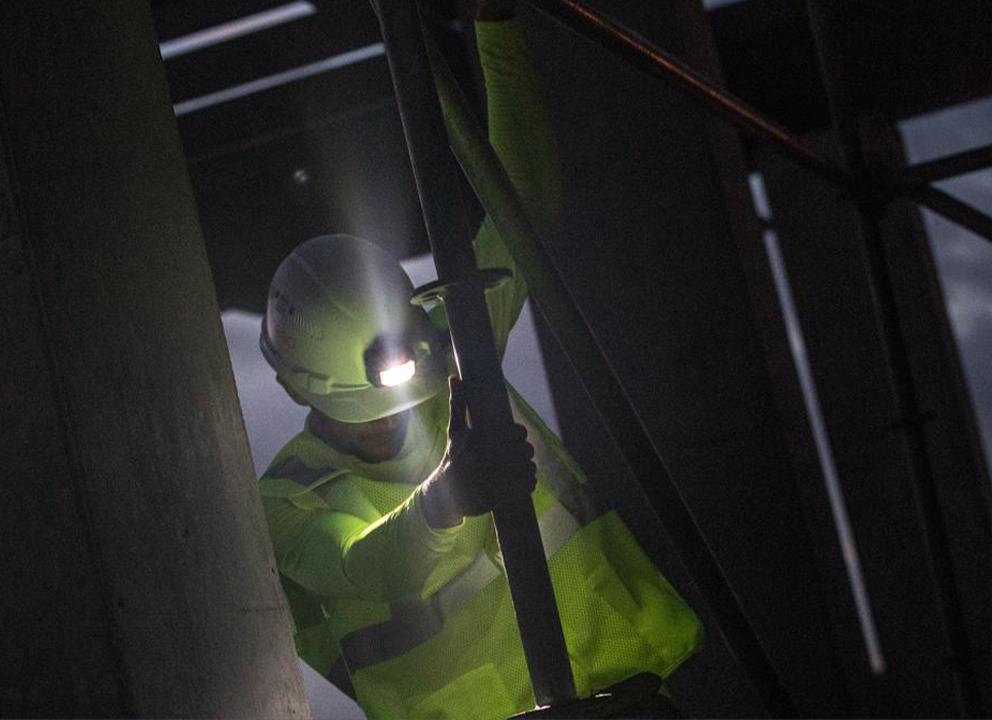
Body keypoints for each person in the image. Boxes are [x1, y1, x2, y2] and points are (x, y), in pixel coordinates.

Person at [257, 3, 702, 717]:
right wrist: (447, 498)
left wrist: (495, 25)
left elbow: (520, 197)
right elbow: (366, 563)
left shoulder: (448, 349)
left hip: (628, 697)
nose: (414, 377)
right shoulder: (287, 501)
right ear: (311, 386)